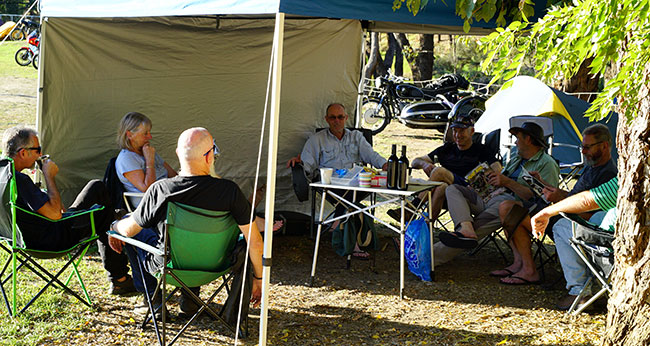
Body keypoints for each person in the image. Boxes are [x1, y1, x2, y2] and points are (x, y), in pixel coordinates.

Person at [109, 127, 265, 318]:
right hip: (216, 266)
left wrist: (115, 227)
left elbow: (129, 230)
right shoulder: (230, 191)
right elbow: (255, 243)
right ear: (209, 157)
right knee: (194, 239)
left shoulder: (161, 190)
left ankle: (154, 302)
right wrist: (258, 278)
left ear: (177, 154)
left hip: (168, 268)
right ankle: (190, 303)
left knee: (140, 232)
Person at [1, 126, 135, 295]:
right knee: (98, 191)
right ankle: (119, 277)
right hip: (51, 240)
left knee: (103, 208)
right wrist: (49, 176)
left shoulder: (4, 175)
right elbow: (56, 215)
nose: (40, 154)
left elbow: (52, 209)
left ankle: (119, 275)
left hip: (17, 240)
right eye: (37, 150)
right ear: (23, 153)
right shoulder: (19, 179)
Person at [494, 124, 617, 285]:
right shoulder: (592, 166)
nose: (583, 151)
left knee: (512, 212)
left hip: (568, 224)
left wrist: (556, 207)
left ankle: (529, 270)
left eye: (587, 147)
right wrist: (551, 189)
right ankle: (521, 264)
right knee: (510, 208)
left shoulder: (608, 173)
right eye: (582, 146)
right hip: (560, 216)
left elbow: (592, 213)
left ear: (604, 146)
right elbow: (576, 198)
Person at [436, 122, 560, 252]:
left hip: (510, 207)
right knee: (453, 189)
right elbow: (502, 178)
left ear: (528, 139)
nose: (516, 142)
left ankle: (429, 256)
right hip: (491, 196)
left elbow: (542, 199)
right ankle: (465, 227)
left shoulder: (547, 164)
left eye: (518, 138)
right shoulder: (516, 157)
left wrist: (506, 182)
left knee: (470, 234)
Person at [286, 103, 387, 259]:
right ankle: (353, 244)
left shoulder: (356, 137)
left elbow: (371, 156)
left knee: (351, 194)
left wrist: (386, 165)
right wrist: (299, 163)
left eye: (340, 117)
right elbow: (308, 164)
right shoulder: (317, 139)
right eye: (332, 117)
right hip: (330, 185)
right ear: (326, 119)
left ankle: (338, 223)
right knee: (350, 200)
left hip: (356, 183)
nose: (336, 121)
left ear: (346, 118)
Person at [387, 113, 501, 222]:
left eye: (462, 131)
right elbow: (415, 162)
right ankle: (426, 229)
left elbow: (497, 168)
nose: (457, 135)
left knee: (439, 172)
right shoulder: (446, 149)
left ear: (472, 131)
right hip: (448, 193)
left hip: (468, 191)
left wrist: (485, 177)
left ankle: (412, 207)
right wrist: (424, 164)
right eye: (455, 131)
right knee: (442, 187)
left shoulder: (480, 150)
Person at [531, 177, 617, 310]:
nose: (583, 154)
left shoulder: (637, 175)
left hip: (611, 244)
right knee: (590, 218)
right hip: (613, 232)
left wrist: (546, 212)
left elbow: (588, 200)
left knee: (561, 226)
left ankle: (579, 292)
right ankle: (594, 287)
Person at [115, 112, 177, 207]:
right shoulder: (126, 159)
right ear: (130, 135)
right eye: (145, 133)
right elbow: (148, 189)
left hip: (168, 195)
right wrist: (149, 161)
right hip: (151, 205)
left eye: (149, 132)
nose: (150, 137)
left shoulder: (147, 151)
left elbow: (173, 175)